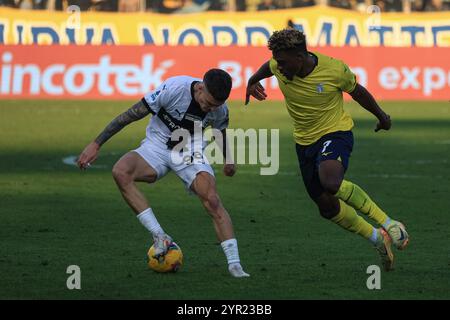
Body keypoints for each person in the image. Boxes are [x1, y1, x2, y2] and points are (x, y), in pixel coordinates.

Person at [245, 29, 409, 271]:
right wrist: (252, 80)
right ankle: (377, 238)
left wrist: (382, 117)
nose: (279, 67)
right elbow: (267, 67)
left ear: (300, 57)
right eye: (277, 62)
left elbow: (358, 92)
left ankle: (389, 223)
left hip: (335, 132)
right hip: (304, 141)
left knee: (330, 182)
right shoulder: (279, 65)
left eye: (283, 62)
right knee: (327, 207)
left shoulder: (334, 70)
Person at [77, 69, 249, 278]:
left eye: (215, 105)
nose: (210, 108)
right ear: (201, 87)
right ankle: (160, 236)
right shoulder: (174, 88)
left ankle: (234, 265)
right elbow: (130, 115)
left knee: (212, 199)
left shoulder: (220, 109)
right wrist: (96, 143)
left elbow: (219, 131)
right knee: (121, 171)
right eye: (208, 102)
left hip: (188, 150)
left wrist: (228, 160)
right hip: (156, 146)